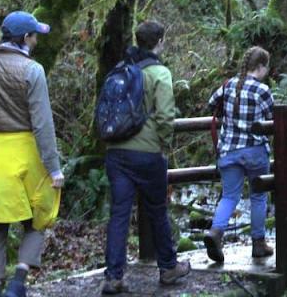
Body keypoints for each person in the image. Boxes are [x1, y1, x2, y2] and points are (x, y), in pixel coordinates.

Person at [0, 11, 64, 297]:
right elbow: (43, 123)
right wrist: (54, 168)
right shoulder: (33, 71)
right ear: (26, 38)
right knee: (39, 219)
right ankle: (18, 282)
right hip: (25, 154)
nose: (36, 40)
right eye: (34, 36)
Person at [102, 21, 190, 295]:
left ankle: (113, 276)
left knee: (119, 214)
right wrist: (164, 144)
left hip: (116, 152)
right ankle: (168, 268)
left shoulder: (121, 69)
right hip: (148, 153)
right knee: (157, 210)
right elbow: (165, 116)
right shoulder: (159, 73)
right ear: (160, 42)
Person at [204, 46, 274, 263]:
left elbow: (210, 104)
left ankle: (216, 233)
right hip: (254, 150)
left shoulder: (228, 86)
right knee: (258, 196)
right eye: (266, 68)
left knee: (229, 196)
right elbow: (273, 118)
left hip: (229, 150)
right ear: (261, 67)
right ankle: (258, 244)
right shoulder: (262, 90)